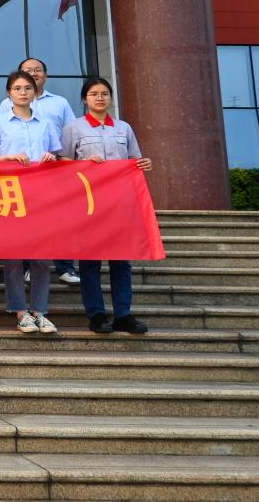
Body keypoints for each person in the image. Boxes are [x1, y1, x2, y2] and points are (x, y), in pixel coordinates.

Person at [60, 76, 152, 335]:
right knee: (90, 262)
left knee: (121, 261)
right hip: (88, 203)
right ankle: (97, 314)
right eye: (94, 94)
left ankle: (123, 314)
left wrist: (144, 163)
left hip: (120, 203)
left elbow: (134, 159)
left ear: (110, 98)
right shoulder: (74, 128)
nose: (100, 98)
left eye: (104, 94)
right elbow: (61, 161)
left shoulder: (123, 128)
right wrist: (84, 164)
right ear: (84, 99)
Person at [0, 69, 61, 335]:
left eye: (27, 88)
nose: (23, 92)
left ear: (35, 92)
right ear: (9, 93)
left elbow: (57, 156)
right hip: (11, 195)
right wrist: (8, 158)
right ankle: (20, 311)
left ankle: (40, 311)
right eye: (17, 88)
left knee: (42, 257)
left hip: (42, 195)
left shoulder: (46, 123)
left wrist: (51, 158)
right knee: (14, 257)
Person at [0, 57, 80, 285]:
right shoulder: (5, 107)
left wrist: (61, 157)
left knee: (56, 221)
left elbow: (68, 135)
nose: (32, 74)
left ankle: (65, 267)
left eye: (37, 70)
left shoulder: (59, 103)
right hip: (15, 178)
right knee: (23, 225)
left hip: (49, 174)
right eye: (27, 70)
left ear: (45, 75)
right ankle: (27, 267)